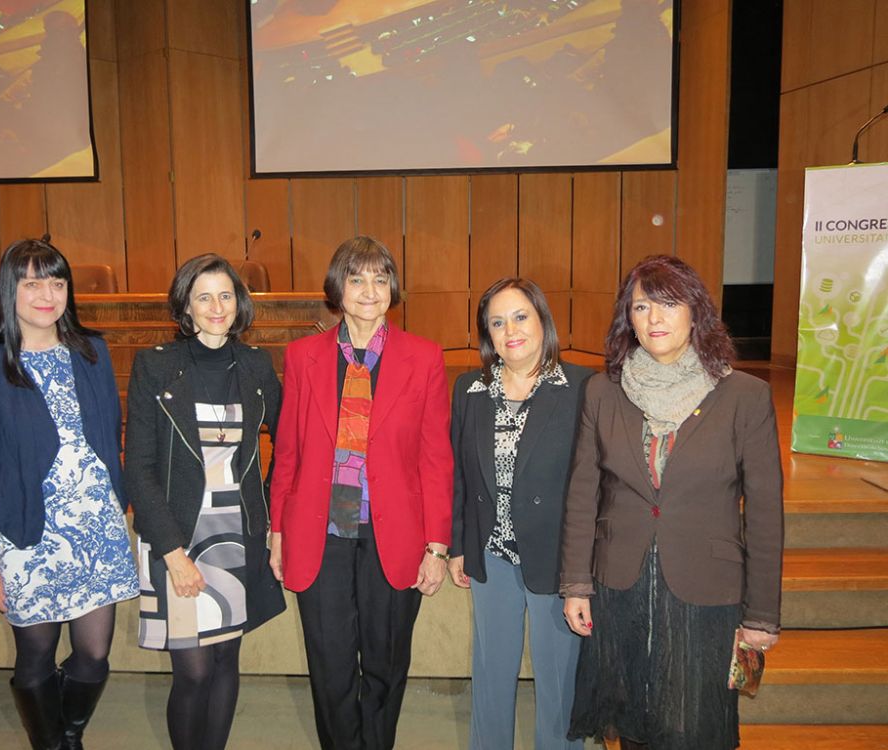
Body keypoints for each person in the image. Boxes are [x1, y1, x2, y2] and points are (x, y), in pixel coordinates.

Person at [560, 255, 783, 750]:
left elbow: (766, 514)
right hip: (620, 584)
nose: (654, 318)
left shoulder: (744, 396)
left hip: (707, 593)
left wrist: (761, 614)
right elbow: (583, 491)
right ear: (628, 319)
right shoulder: (603, 392)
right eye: (641, 307)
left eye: (668, 304)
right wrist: (576, 583)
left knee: (693, 726)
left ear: (696, 313)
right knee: (633, 716)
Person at [0, 238, 139, 750]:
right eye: (32, 282)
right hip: (26, 532)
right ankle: (52, 743)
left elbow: (107, 439)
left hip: (95, 527)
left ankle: (68, 732)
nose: (47, 294)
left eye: (56, 281)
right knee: (36, 655)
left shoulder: (91, 351)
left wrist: (119, 515)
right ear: (10, 289)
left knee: (94, 655)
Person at [268, 235, 453, 750]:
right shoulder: (303, 356)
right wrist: (277, 531)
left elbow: (437, 459)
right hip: (321, 530)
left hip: (393, 533)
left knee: (386, 662)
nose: (369, 290)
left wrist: (437, 545)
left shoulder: (424, 357)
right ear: (338, 288)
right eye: (356, 278)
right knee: (329, 666)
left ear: (392, 287)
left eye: (379, 278)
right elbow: (288, 454)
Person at [124, 254, 285, 750]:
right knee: (193, 671)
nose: (217, 306)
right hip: (177, 533)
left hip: (237, 534)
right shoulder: (156, 365)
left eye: (226, 295)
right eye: (203, 296)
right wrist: (173, 553)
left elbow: (292, 444)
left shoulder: (256, 364)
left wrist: (272, 516)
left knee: (224, 663)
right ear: (186, 307)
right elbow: (140, 468)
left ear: (239, 303)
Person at [449, 278, 591, 750]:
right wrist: (457, 547)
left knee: (558, 684)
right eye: (497, 322)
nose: (510, 330)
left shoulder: (584, 387)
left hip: (556, 560)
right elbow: (460, 476)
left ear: (542, 320)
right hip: (492, 557)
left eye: (520, 316)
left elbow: (596, 486)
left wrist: (584, 571)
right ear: (486, 334)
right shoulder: (470, 388)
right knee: (491, 675)